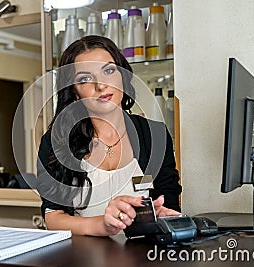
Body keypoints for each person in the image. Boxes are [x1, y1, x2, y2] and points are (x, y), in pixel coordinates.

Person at [36, 35, 182, 236]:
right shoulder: (56, 142)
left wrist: (160, 216)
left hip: (144, 255)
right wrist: (102, 225)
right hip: (80, 257)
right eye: (85, 79)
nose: (101, 85)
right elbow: (53, 218)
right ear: (75, 92)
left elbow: (169, 202)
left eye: (109, 71)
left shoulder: (154, 135)